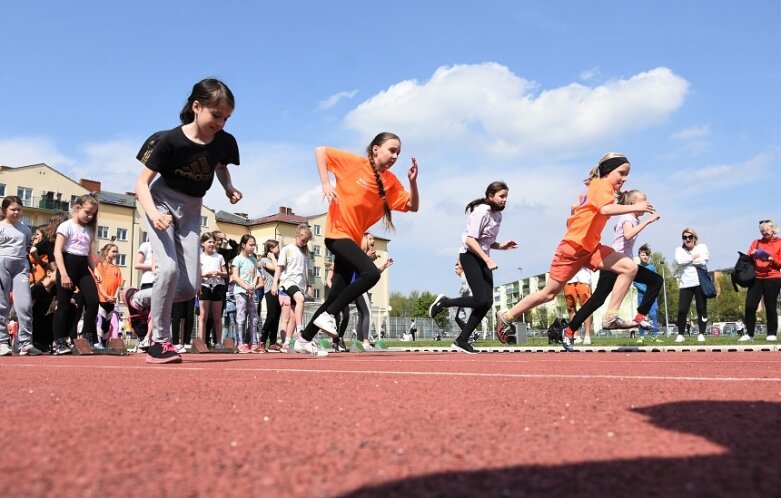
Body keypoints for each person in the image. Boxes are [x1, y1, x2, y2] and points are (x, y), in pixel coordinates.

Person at [123, 78, 241, 364]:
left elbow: (220, 166)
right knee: (168, 270)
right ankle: (160, 342)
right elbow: (141, 184)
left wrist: (228, 187)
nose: (221, 123)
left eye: (226, 117)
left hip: (191, 211)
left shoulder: (224, 141)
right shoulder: (169, 140)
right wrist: (154, 214)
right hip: (160, 202)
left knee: (188, 289)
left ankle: (138, 300)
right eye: (216, 115)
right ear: (196, 106)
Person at [495, 153, 655, 352]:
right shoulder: (601, 185)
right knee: (549, 294)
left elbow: (580, 211)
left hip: (590, 248)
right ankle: (507, 316)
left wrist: (577, 212)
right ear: (608, 171)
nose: (625, 178)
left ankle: (610, 317)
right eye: (621, 173)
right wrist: (635, 206)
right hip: (572, 248)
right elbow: (604, 210)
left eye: (627, 174)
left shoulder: (596, 188)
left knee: (629, 268)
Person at [297, 132, 419, 356]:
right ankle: (329, 315)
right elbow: (321, 151)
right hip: (337, 233)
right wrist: (325, 183)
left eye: (398, 153)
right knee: (371, 274)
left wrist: (412, 182)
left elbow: (412, 206)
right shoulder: (355, 164)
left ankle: (304, 339)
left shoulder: (391, 181)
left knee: (335, 296)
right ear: (375, 149)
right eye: (391, 150)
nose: (395, 156)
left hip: (352, 239)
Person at [563, 189, 663, 346]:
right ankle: (569, 330)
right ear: (632, 204)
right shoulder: (628, 216)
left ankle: (640, 317)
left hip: (624, 264)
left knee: (655, 280)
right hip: (614, 263)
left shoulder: (631, 217)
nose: (647, 203)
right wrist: (648, 221)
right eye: (643, 201)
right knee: (597, 300)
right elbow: (628, 235)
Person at [429, 181, 518, 354]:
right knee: (479, 300)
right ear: (490, 196)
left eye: (506, 196)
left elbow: (486, 242)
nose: (505, 200)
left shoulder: (498, 216)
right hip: (469, 256)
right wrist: (487, 259)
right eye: (502, 196)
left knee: (487, 302)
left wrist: (502, 246)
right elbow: (470, 240)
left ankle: (462, 340)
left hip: (482, 257)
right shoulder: (480, 212)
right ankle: (445, 302)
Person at [50, 194, 102, 354]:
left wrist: (95, 270)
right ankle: (59, 342)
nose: (90, 216)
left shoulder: (88, 230)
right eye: (87, 212)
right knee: (64, 306)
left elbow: (88, 253)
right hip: (67, 266)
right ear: (77, 208)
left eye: (93, 213)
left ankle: (87, 337)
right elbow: (57, 251)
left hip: (82, 269)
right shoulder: (66, 226)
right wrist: (64, 274)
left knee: (93, 301)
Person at [0, 196, 42, 356]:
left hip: (20, 267)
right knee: (2, 305)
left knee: (24, 305)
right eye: (13, 209)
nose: (16, 212)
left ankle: (25, 342)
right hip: (2, 264)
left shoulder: (25, 229)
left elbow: (26, 249)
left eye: (19, 209)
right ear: (5, 210)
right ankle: (2, 342)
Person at [272, 225, 313, 353]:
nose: (304, 243)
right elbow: (279, 267)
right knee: (300, 299)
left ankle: (287, 343)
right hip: (288, 282)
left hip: (300, 285)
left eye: (306, 241)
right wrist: (275, 283)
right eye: (303, 240)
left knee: (294, 317)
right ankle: (301, 330)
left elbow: (308, 271)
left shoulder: (306, 253)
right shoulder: (287, 249)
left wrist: (309, 286)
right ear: (296, 236)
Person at [739, 219, 781, 342]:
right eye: (762, 231)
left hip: (773, 277)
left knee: (770, 305)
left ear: (773, 229)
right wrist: (752, 255)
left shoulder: (779, 243)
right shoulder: (756, 242)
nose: (765, 233)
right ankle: (749, 334)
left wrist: (771, 259)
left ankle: (772, 333)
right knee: (750, 306)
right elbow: (747, 259)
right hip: (756, 277)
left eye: (767, 230)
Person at [673, 228, 710, 343]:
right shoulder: (679, 250)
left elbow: (703, 261)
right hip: (686, 283)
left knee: (701, 309)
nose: (687, 239)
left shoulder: (702, 247)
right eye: (685, 237)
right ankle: (680, 334)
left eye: (690, 237)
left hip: (700, 282)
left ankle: (701, 333)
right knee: (682, 310)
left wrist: (688, 260)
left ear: (694, 238)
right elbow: (679, 262)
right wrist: (694, 257)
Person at [231, 235, 262, 353]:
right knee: (241, 316)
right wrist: (245, 287)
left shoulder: (253, 260)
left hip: (251, 291)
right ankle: (240, 343)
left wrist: (253, 286)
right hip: (240, 291)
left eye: (254, 245)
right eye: (251, 244)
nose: (253, 247)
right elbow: (235, 276)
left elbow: (255, 275)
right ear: (243, 245)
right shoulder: (237, 260)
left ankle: (254, 343)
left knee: (254, 317)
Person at [198, 232, 227, 349]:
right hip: (204, 286)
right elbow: (196, 274)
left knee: (217, 316)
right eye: (209, 242)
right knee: (203, 316)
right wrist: (205, 274)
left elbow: (225, 274)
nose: (211, 244)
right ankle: (202, 342)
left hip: (217, 286)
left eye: (213, 242)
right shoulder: (199, 257)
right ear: (202, 244)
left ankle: (218, 341)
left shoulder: (219, 257)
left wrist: (219, 273)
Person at [95, 243, 124, 346]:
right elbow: (98, 284)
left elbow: (118, 284)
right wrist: (106, 296)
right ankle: (98, 342)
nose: (115, 253)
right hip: (102, 298)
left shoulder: (116, 268)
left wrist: (115, 296)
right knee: (101, 320)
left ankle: (104, 342)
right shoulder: (100, 266)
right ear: (106, 252)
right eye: (113, 251)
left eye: (116, 251)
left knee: (108, 322)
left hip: (112, 299)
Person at [258, 240, 283, 352]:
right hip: (270, 289)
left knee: (277, 316)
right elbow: (275, 268)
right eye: (277, 247)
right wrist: (272, 258)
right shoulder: (264, 260)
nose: (279, 248)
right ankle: (262, 340)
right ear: (271, 249)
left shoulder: (279, 260)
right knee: (271, 315)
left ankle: (272, 342)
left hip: (280, 290)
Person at [634, 244, 662, 342]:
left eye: (646, 255)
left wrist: (652, 292)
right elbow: (635, 282)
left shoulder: (652, 268)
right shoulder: (636, 268)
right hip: (642, 296)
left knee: (653, 315)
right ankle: (641, 336)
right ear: (639, 256)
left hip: (652, 297)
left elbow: (656, 281)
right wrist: (645, 290)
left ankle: (654, 336)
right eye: (642, 255)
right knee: (641, 316)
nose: (645, 257)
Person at [31, 262, 58, 353]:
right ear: (49, 273)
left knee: (71, 309)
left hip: (44, 320)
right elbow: (28, 310)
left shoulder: (54, 290)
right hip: (34, 323)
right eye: (58, 273)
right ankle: (35, 342)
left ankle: (57, 342)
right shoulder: (37, 288)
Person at [563, 268, 593, 345]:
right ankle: (576, 335)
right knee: (571, 308)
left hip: (583, 278)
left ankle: (587, 336)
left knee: (587, 307)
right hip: (568, 278)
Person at [452, 261, 472, 337]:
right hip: (466, 300)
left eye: (457, 269)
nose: (455, 271)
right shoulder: (465, 276)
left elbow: (466, 288)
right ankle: (471, 334)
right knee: (459, 317)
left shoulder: (464, 275)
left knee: (466, 319)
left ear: (462, 269)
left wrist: (460, 297)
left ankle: (470, 335)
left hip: (467, 300)